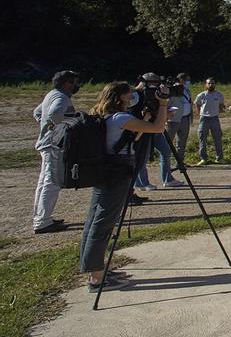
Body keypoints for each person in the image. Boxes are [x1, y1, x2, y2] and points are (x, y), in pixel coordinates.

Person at [80, 81, 168, 292]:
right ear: (120, 97)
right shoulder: (122, 118)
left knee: (95, 219)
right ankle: (97, 278)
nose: (133, 97)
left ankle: (95, 268)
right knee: (103, 223)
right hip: (117, 172)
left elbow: (127, 139)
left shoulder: (103, 116)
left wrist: (143, 121)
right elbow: (158, 128)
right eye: (129, 94)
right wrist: (163, 105)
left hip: (105, 170)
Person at [31, 69, 81, 234]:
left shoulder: (52, 94)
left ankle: (41, 217)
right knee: (52, 182)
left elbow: (37, 112)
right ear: (67, 83)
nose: (76, 85)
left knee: (44, 182)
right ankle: (43, 222)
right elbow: (53, 114)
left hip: (46, 143)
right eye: (74, 82)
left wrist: (45, 125)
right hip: (52, 144)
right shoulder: (61, 97)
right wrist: (57, 128)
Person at [194, 78, 226, 165]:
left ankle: (219, 158)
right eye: (209, 83)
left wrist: (219, 110)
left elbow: (221, 105)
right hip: (204, 119)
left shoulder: (219, 95)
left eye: (212, 83)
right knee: (202, 139)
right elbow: (197, 104)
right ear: (206, 84)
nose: (211, 85)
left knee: (217, 139)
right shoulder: (201, 95)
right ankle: (203, 158)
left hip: (214, 118)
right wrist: (199, 113)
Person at [168, 72, 193, 167]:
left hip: (185, 118)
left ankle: (179, 162)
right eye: (187, 80)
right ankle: (166, 163)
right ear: (181, 80)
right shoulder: (172, 90)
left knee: (182, 142)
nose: (189, 82)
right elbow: (167, 103)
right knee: (169, 141)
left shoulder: (187, 90)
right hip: (173, 119)